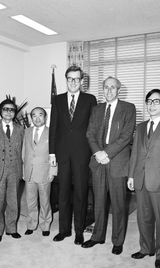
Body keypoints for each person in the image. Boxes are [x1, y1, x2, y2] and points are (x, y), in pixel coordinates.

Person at [82, 76, 136, 255]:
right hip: (98, 162)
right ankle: (97, 236)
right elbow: (90, 134)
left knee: (119, 204)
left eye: (113, 87)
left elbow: (126, 136)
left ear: (119, 89)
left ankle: (118, 240)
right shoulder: (97, 110)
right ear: (103, 89)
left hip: (117, 162)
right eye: (106, 87)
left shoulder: (128, 108)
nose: (109, 90)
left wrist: (107, 153)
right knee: (98, 202)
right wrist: (98, 153)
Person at [49, 65, 97, 245]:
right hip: (61, 154)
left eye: (77, 79)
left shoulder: (90, 100)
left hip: (82, 154)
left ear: (82, 81)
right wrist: (51, 153)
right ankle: (64, 230)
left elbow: (93, 128)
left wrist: (93, 152)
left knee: (81, 193)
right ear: (66, 79)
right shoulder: (58, 100)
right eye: (70, 78)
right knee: (62, 194)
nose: (73, 82)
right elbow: (53, 127)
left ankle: (79, 231)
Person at [127, 89, 160, 268]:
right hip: (140, 178)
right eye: (149, 101)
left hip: (159, 180)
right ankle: (146, 248)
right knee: (143, 217)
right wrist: (131, 175)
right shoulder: (140, 126)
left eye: (156, 101)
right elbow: (135, 153)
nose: (152, 105)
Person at [0, 98, 24, 243]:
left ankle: (11, 229)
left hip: (15, 170)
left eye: (11, 109)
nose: (8, 112)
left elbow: (23, 150)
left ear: (15, 112)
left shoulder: (21, 129)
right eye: (5, 109)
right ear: (0, 111)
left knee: (13, 201)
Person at [22, 107, 57, 237]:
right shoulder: (26, 132)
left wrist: (52, 172)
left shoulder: (52, 133)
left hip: (44, 172)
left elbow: (55, 154)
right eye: (34, 116)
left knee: (45, 201)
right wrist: (23, 170)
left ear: (45, 117)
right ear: (31, 118)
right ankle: (31, 224)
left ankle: (45, 225)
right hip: (29, 172)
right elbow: (23, 152)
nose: (37, 118)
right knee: (30, 201)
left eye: (40, 115)